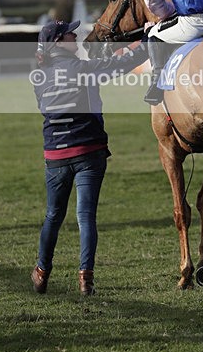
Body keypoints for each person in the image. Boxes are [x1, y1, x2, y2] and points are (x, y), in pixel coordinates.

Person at [30, 20, 147, 296]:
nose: (76, 36)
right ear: (59, 42)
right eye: (71, 33)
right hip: (89, 152)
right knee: (86, 218)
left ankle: (42, 271)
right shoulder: (82, 69)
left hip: (55, 154)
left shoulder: (39, 76)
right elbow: (121, 65)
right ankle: (85, 280)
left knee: (52, 216)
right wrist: (149, 43)